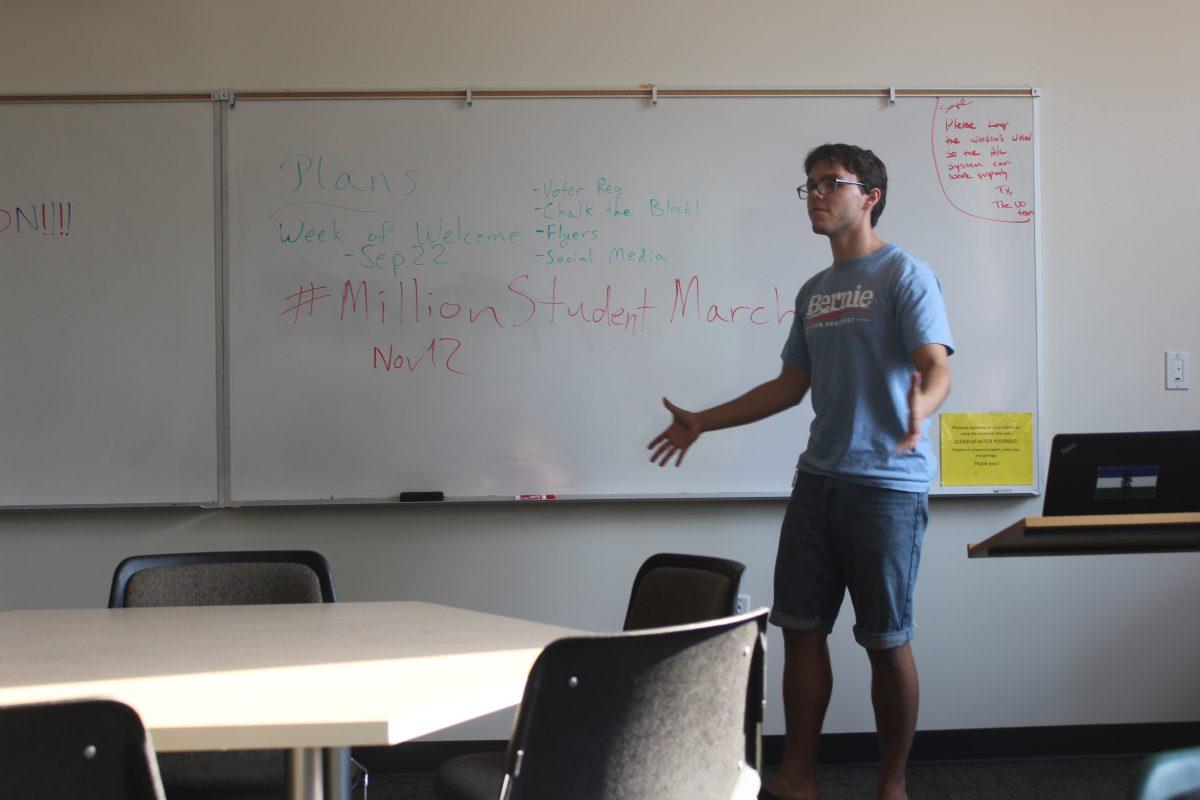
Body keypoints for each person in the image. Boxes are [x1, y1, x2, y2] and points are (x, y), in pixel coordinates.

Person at [648, 143, 953, 800]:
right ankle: (797, 778)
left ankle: (892, 785)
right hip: (818, 483)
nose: (815, 194)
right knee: (800, 629)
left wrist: (923, 403)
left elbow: (936, 364)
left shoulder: (905, 274)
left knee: (885, 638)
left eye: (830, 183)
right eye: (809, 185)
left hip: (887, 487)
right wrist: (703, 419)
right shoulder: (815, 293)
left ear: (869, 195)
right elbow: (789, 387)